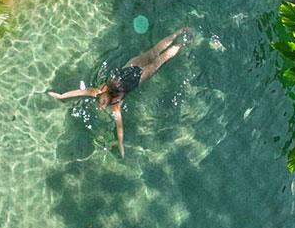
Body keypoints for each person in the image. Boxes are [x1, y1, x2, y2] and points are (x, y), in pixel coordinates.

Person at [49, 27, 192, 154]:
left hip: (140, 78)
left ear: (107, 99)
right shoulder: (99, 89)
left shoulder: (115, 105)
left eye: (102, 104)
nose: (101, 105)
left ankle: (182, 43)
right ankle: (179, 32)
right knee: (154, 51)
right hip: (131, 66)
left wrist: (120, 144)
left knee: (161, 60)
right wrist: (61, 96)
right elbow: (79, 92)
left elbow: (120, 128)